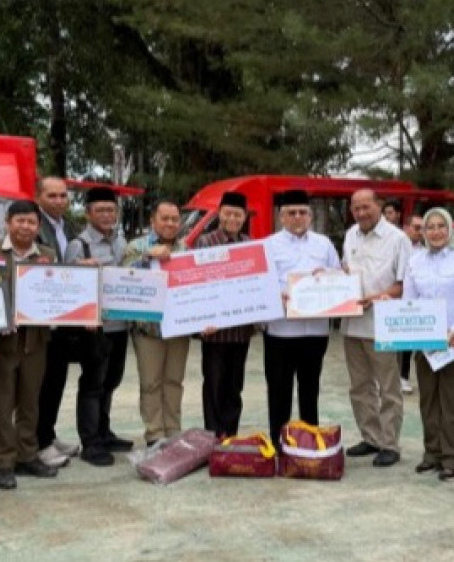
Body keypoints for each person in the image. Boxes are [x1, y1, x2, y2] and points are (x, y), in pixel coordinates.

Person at [403, 207, 454, 483]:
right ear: (423, 231)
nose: (436, 232)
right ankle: (432, 454)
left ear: (450, 229)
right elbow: (409, 300)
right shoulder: (415, 260)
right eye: (430, 227)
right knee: (429, 402)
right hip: (427, 345)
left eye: (441, 226)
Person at [0, 201, 60, 489]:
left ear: (38, 226)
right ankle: (3, 462)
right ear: (8, 222)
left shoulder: (47, 255)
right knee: (1, 405)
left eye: (31, 222)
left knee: (31, 401)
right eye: (20, 221)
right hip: (1, 342)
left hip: (36, 341)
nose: (25, 227)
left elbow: (58, 293)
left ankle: (27, 455)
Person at [61, 187, 133, 465]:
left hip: (120, 324)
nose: (106, 215)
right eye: (100, 210)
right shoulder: (78, 245)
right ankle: (90, 442)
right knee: (93, 384)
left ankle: (104, 432)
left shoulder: (121, 242)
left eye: (110, 210)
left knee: (111, 381)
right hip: (95, 328)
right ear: (88, 213)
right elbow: (69, 288)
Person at [263, 189, 341, 442]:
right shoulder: (269, 245)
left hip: (315, 332)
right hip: (281, 331)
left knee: (310, 391)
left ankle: (309, 445)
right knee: (279, 392)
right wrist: (277, 295)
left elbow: (340, 278)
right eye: (292, 212)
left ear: (310, 216)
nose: (298, 217)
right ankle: (279, 444)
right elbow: (260, 284)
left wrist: (327, 276)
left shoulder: (324, 244)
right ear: (281, 217)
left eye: (302, 212)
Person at [342, 189, 411, 467]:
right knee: (360, 386)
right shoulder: (350, 235)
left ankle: (390, 443)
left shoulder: (398, 239)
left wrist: (377, 297)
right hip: (352, 324)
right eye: (356, 208)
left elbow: (403, 284)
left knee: (388, 388)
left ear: (379, 206)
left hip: (383, 326)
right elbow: (345, 273)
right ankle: (370, 437)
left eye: (366, 207)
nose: (361, 213)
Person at [122, 199, 190, 446]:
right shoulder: (136, 247)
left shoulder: (186, 249)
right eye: (165, 218)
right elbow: (124, 276)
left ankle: (173, 430)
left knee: (174, 381)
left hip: (178, 328)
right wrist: (147, 256)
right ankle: (154, 434)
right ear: (153, 221)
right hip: (148, 329)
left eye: (174, 219)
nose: (170, 223)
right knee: (151, 382)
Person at [194, 191, 255, 438]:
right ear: (219, 214)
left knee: (235, 386)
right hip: (214, 330)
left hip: (240, 330)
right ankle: (212, 436)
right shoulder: (206, 243)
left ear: (245, 217)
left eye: (238, 215)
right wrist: (200, 318)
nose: (233, 219)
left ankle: (230, 435)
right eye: (228, 213)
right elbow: (198, 283)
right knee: (213, 384)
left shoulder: (250, 244)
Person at [34, 176, 85, 466]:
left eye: (63, 195)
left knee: (57, 380)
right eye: (51, 195)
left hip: (66, 316)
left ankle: (49, 434)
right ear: (38, 197)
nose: (58, 201)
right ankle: (38, 442)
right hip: (42, 316)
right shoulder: (33, 225)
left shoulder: (68, 226)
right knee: (41, 384)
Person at [399, 212, 425, 394]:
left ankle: (405, 376)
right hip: (396, 297)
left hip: (417, 300)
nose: (420, 231)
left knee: (412, 340)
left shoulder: (425, 250)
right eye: (416, 228)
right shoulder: (397, 246)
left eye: (422, 228)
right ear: (406, 228)